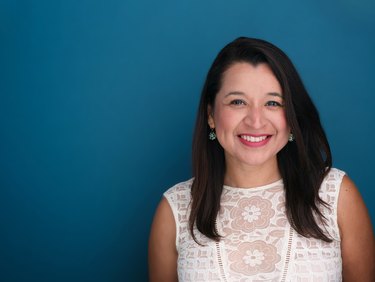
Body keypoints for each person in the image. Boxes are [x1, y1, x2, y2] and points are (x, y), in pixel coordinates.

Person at [148, 37, 375, 281]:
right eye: (238, 102)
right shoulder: (175, 209)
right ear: (211, 115)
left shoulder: (336, 195)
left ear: (292, 117)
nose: (256, 121)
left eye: (272, 103)